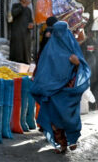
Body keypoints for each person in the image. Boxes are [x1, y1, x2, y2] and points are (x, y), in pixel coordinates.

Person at [30, 21, 91, 153]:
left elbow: (83, 66)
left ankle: (72, 139)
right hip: (53, 90)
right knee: (54, 117)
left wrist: (76, 63)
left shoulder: (73, 47)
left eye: (62, 31)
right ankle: (62, 144)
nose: (60, 35)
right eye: (57, 32)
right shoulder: (49, 49)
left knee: (69, 115)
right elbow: (43, 69)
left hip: (69, 89)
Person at [10, 0, 34, 64]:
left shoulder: (29, 10)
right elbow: (14, 13)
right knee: (17, 55)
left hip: (26, 36)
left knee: (26, 57)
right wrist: (23, 6)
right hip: (17, 36)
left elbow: (31, 22)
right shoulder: (15, 6)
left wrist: (31, 25)